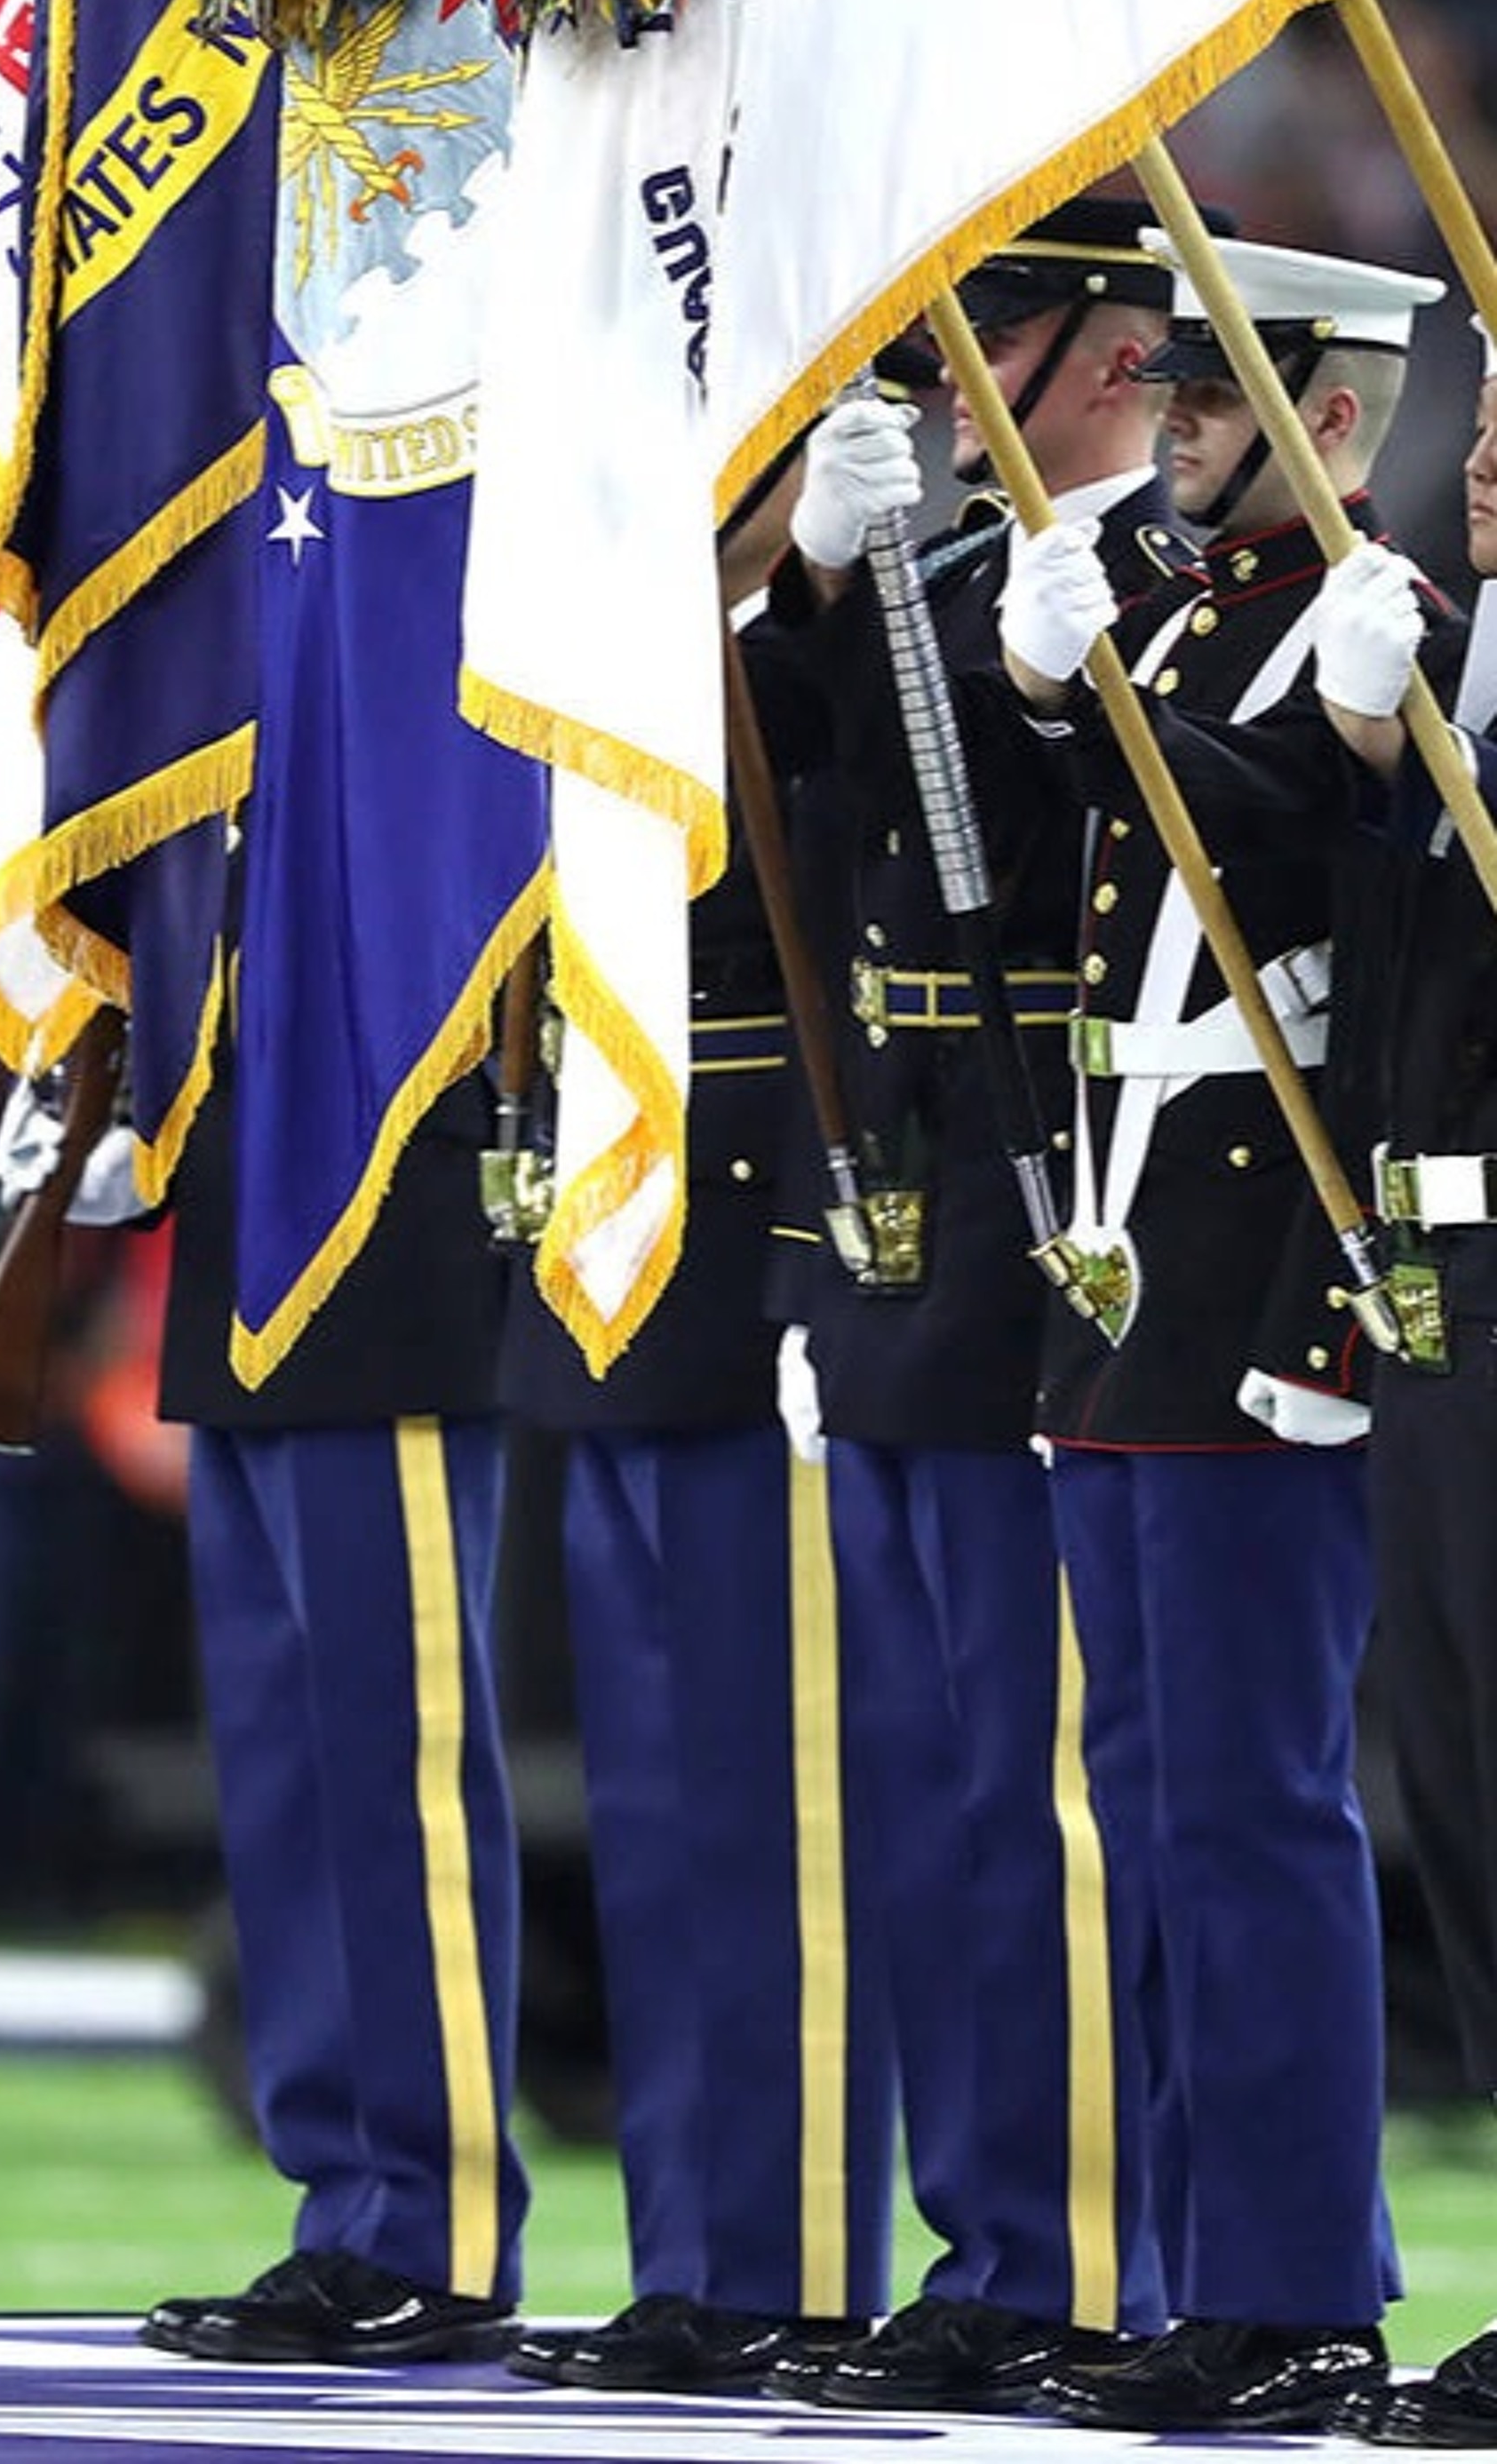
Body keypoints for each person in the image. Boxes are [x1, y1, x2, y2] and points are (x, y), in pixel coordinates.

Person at [995, 233, 1447, 2432]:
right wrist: (1040, 683)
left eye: (1207, 398)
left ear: (1325, 419)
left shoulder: (1370, 623)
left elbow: (1299, 852)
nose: (1166, 424)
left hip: (1260, 1264)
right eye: (1168, 392)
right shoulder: (1180, 613)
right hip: (1127, 1255)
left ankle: (1296, 2289)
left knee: (1255, 1803)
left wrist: (1101, 705)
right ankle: (1196, 2268)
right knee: (1147, 1799)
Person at [752, 200, 1192, 2411]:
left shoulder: (1174, 594)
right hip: (902, 1207)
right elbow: (782, 788)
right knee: (931, 1781)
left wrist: (1034, 687)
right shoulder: (929, 579)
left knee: (1057, 1784)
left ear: (1116, 352)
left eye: (1001, 325)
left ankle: (1094, 2252)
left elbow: (1053, 862)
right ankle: (993, 2232)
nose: (953, 367)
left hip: (1051, 1211)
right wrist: (819, 583)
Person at [500, 456, 892, 2396]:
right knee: (654, 1797)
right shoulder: (590, 653)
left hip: (760, 1227)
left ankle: (795, 2251)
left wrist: (813, 593)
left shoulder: (852, 634)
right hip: (616, 1216)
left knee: (774, 1790)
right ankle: (696, 2249)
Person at [136, 999, 525, 2367]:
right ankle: (348, 2204)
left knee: (393, 1767)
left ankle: (431, 2225)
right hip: (242, 1192)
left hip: (391, 1187)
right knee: (284, 1772)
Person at [1294, 330, 1497, 2452]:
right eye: (1496, 422)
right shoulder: (1441, 681)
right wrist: (1365, 756)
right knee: (1464, 1783)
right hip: (1447, 1281)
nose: (1495, 465)